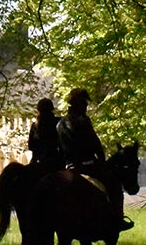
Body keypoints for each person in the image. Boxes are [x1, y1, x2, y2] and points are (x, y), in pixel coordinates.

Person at [55, 88, 131, 231]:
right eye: (84, 102)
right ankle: (118, 218)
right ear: (78, 103)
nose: (86, 106)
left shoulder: (60, 123)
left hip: (69, 166)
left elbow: (59, 148)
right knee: (114, 185)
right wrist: (101, 159)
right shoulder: (83, 120)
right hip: (87, 165)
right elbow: (94, 142)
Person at [26, 98, 62, 172]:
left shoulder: (35, 125)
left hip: (40, 161)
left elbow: (31, 146)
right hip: (56, 162)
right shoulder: (58, 122)